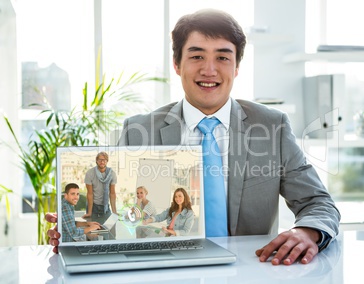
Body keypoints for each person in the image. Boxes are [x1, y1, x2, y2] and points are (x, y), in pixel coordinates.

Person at [46, 8, 340, 265]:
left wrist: (307, 231)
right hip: (164, 270)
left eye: (223, 57)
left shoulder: (272, 126)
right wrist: (79, 231)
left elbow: (319, 203)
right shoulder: (140, 129)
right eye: (197, 55)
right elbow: (122, 211)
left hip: (252, 269)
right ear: (177, 64)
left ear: (236, 67)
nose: (209, 69)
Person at [82, 152, 118, 221]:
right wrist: (89, 212)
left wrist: (114, 212)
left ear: (107, 161)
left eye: (104, 160)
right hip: (93, 206)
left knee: (110, 228)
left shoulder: (112, 174)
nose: (102, 162)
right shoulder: (90, 173)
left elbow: (112, 193)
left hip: (105, 207)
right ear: (96, 161)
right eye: (100, 160)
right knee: (94, 230)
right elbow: (90, 194)